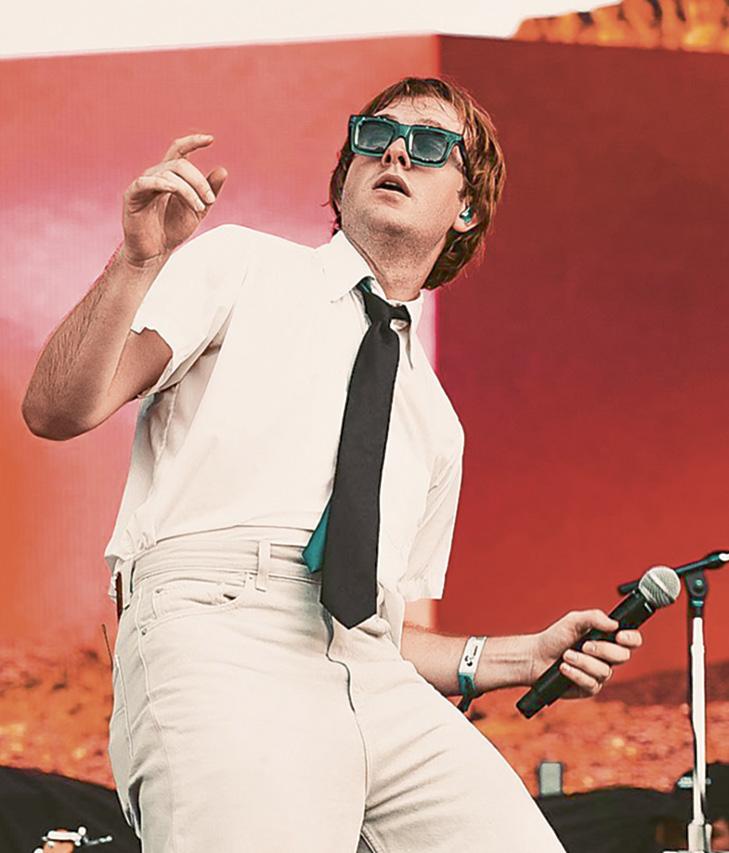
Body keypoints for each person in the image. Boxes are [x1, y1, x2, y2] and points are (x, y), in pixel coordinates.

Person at [22, 76, 643, 852]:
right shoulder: (243, 265)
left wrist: (522, 654)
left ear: (465, 208)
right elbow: (56, 409)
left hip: (371, 677)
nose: (394, 152)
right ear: (344, 178)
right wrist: (136, 259)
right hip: (220, 634)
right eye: (373, 136)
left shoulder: (435, 421)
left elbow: (381, 626)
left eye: (429, 144)